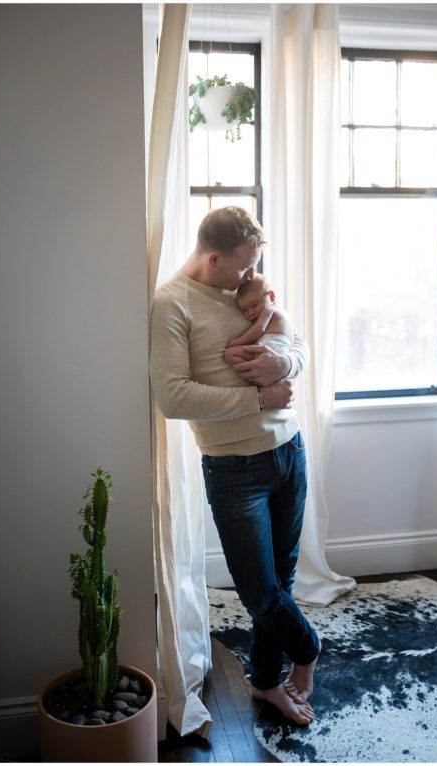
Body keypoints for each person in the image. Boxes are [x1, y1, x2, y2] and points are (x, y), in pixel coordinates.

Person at [149, 206, 319, 726]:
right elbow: (173, 397)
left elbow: (297, 342)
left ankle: (266, 683)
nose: (253, 277)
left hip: (289, 451)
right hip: (235, 468)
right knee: (259, 591)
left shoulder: (245, 293)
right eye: (244, 267)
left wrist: (283, 364)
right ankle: (309, 649)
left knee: (282, 580)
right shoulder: (171, 304)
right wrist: (259, 399)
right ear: (214, 256)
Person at [223, 272, 294, 367]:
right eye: (245, 310)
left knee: (230, 354)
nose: (251, 312)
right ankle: (256, 375)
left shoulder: (269, 310)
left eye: (254, 305)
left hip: (273, 347)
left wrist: (238, 341)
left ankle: (250, 371)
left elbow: (259, 329)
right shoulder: (282, 313)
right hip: (281, 351)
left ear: (271, 296)